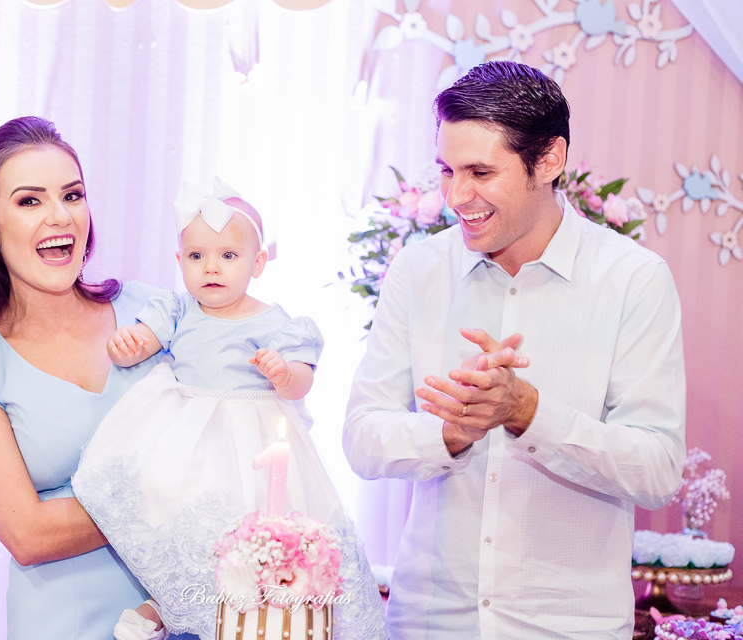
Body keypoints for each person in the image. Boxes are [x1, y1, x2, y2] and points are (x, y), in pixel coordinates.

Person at [343, 61, 686, 639]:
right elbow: (361, 439)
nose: (457, 195)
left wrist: (528, 413)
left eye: (480, 171)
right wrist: (449, 434)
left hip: (567, 626)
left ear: (549, 161)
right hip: (430, 620)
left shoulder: (634, 279)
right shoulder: (420, 269)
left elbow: (657, 470)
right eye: (447, 170)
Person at [72, 179, 386, 640]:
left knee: (254, 528)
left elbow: (301, 382)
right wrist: (128, 344)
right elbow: (142, 343)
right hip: (187, 433)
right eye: (197, 257)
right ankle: (166, 599)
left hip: (255, 441)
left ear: (257, 263)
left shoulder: (278, 322)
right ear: (180, 263)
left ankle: (263, 613)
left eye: (228, 256)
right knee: (180, 516)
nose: (211, 267)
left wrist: (283, 372)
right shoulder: (178, 309)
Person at [0, 117, 194, 639]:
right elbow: (29, 533)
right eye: (29, 201)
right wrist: (180, 489)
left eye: (72, 195)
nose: (59, 216)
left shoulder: (154, 312)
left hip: (196, 618)